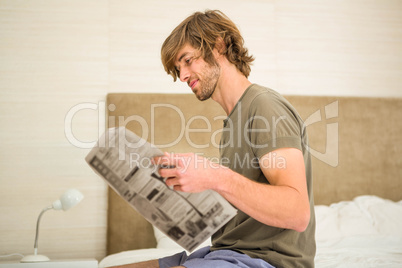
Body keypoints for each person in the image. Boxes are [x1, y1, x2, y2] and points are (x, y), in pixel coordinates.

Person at [117, 9, 316, 268]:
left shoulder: (265, 106)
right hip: (222, 253)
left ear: (219, 45)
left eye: (187, 60)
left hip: (265, 261)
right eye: (178, 69)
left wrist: (213, 175)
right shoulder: (234, 120)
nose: (183, 76)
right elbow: (242, 198)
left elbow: (297, 213)